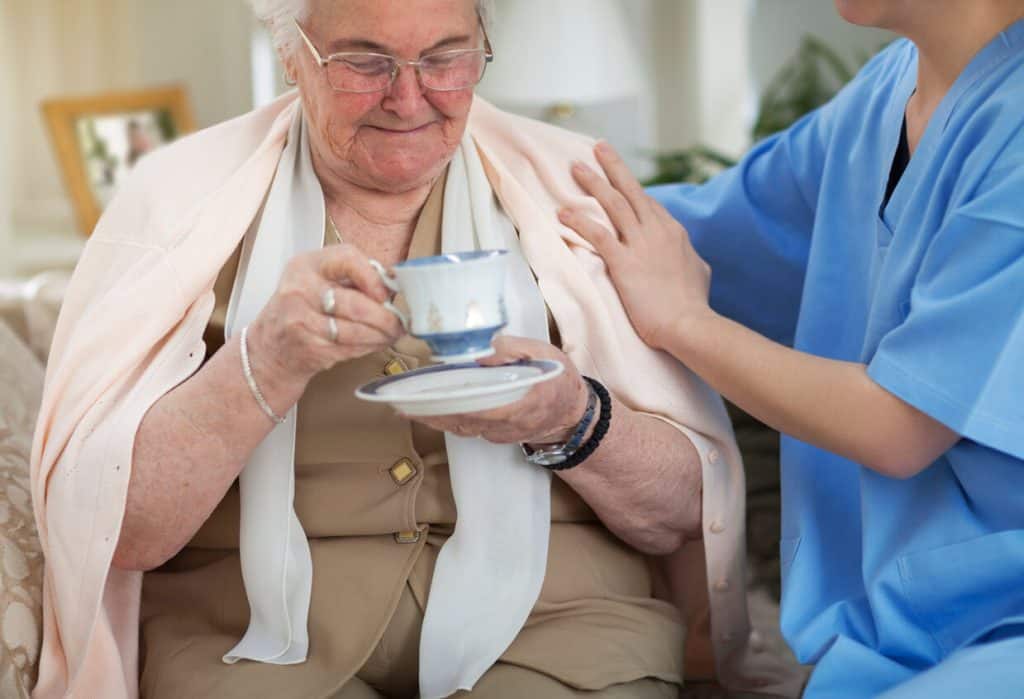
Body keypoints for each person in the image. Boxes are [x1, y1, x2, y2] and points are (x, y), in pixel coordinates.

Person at [29, 1, 804, 697]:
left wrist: (572, 416)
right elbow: (116, 529)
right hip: (251, 644)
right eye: (366, 61)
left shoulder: (576, 193)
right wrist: (259, 363)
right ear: (290, 49)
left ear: (483, 46)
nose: (409, 96)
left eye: (445, 57)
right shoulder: (175, 203)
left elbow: (682, 515)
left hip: (561, 626)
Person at [559, 1, 1024, 697]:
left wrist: (685, 323)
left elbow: (900, 426)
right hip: (879, 638)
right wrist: (497, 167)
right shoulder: (884, 95)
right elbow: (699, 230)